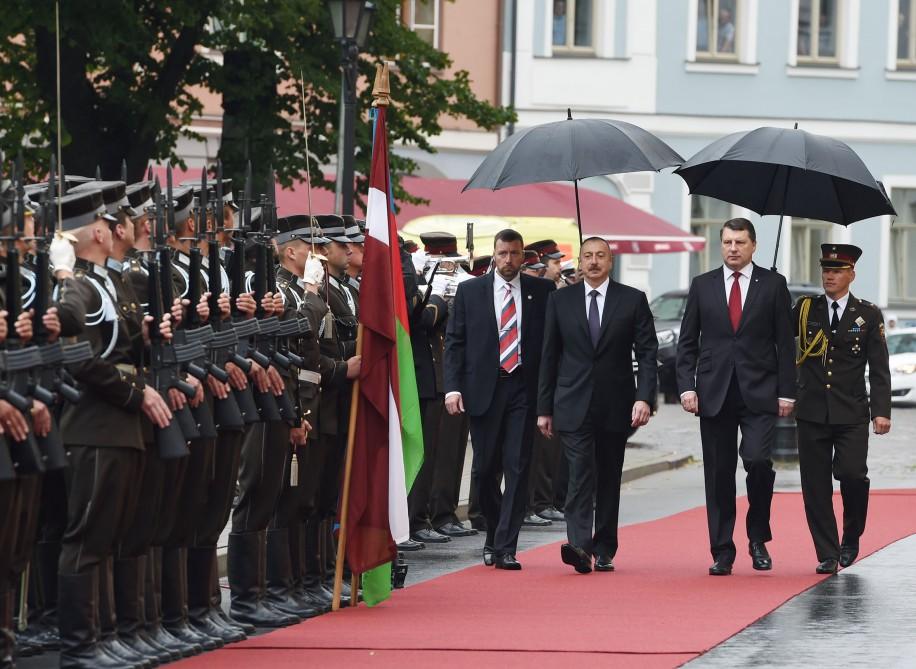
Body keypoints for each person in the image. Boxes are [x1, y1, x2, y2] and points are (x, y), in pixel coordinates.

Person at [676, 218, 796, 576]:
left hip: (759, 391)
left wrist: (787, 391)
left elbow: (785, 344)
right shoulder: (702, 285)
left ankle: (757, 538)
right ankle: (722, 550)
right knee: (718, 474)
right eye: (727, 242)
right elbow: (687, 342)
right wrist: (686, 385)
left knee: (758, 462)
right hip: (714, 392)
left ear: (753, 246)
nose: (732, 248)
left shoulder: (773, 285)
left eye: (740, 242)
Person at [537, 237, 657, 574]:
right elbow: (549, 356)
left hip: (616, 404)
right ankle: (579, 545)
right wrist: (543, 408)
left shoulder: (632, 300)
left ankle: (604, 546)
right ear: (581, 260)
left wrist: (644, 397)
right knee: (579, 474)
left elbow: (647, 353)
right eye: (587, 256)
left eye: (600, 256)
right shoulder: (561, 300)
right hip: (572, 403)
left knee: (607, 476)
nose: (593, 262)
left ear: (610, 261)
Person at [444, 229, 555, 570]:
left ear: (523, 256)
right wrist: (453, 387)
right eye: (503, 253)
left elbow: (551, 345)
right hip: (484, 390)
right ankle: (493, 532)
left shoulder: (543, 291)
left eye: (515, 253)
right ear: (494, 254)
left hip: (524, 386)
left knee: (518, 467)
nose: (509, 260)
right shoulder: (470, 291)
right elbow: (455, 342)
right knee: (483, 469)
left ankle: (507, 545)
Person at [793, 244, 891, 574]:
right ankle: (827, 551)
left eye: (836, 271)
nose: (829, 276)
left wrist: (882, 410)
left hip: (851, 412)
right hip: (811, 412)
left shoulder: (867, 314)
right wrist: (774, 293)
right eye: (825, 270)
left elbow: (879, 367)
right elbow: (777, 333)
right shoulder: (806, 309)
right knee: (815, 485)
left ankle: (851, 535)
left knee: (852, 474)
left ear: (851, 274)